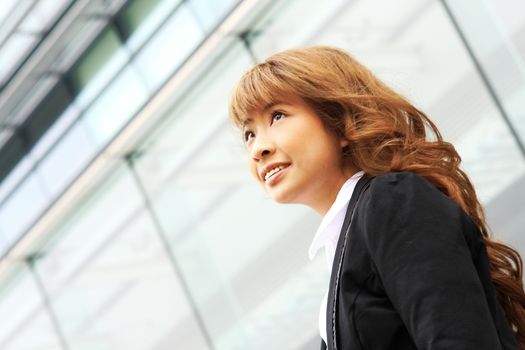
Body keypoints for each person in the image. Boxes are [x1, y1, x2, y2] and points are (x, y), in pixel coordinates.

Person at [228, 46, 525, 349]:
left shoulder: (393, 200)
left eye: (277, 116)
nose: (257, 149)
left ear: (340, 122)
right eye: (248, 134)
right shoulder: (347, 246)